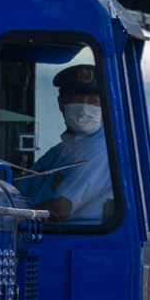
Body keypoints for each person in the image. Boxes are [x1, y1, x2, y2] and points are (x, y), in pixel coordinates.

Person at [19, 64, 112, 224]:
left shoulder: (102, 149)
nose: (84, 109)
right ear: (61, 103)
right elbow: (22, 188)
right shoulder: (60, 151)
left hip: (82, 242)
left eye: (93, 101)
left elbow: (60, 208)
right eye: (77, 100)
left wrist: (8, 219)